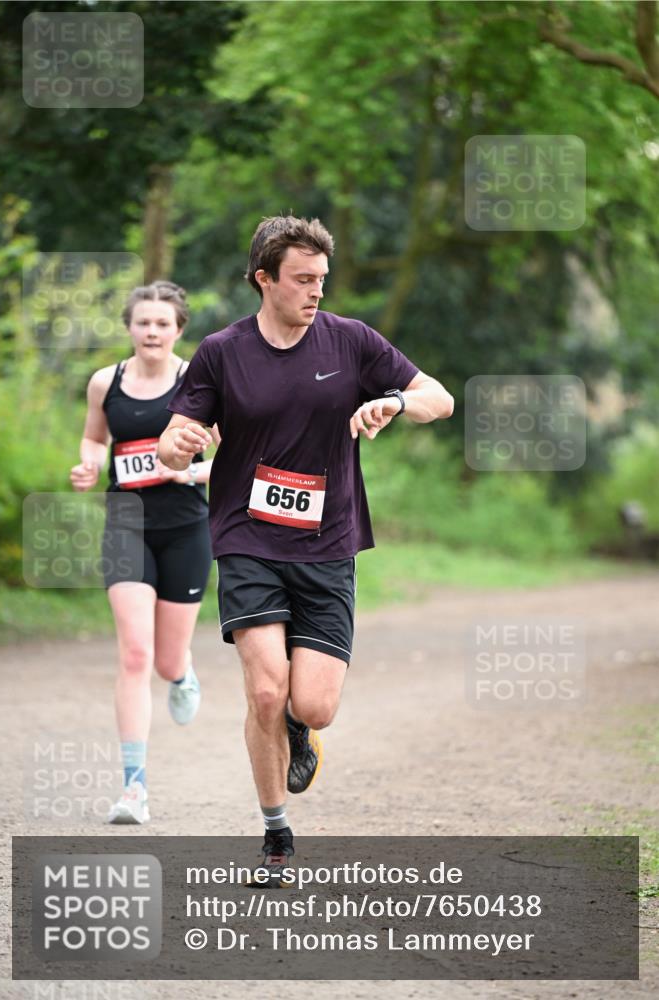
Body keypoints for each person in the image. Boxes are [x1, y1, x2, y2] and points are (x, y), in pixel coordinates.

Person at [158, 216, 454, 877]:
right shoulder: (222, 351)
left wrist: (397, 406)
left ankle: (301, 728)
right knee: (264, 692)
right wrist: (177, 442)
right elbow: (176, 431)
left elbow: (439, 398)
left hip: (329, 542)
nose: (315, 292)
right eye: (301, 280)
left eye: (322, 280)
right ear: (264, 279)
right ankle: (274, 835)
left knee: (311, 704)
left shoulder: (351, 343)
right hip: (246, 535)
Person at [71, 280, 216, 825]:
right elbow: (94, 438)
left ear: (179, 330)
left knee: (166, 659)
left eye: (163, 323)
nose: (152, 331)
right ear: (130, 327)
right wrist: (88, 463)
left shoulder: (197, 383)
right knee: (135, 653)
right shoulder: (105, 382)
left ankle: (182, 674)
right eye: (143, 322)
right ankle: (134, 787)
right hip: (126, 523)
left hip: (185, 527)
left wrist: (185, 469)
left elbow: (231, 457)